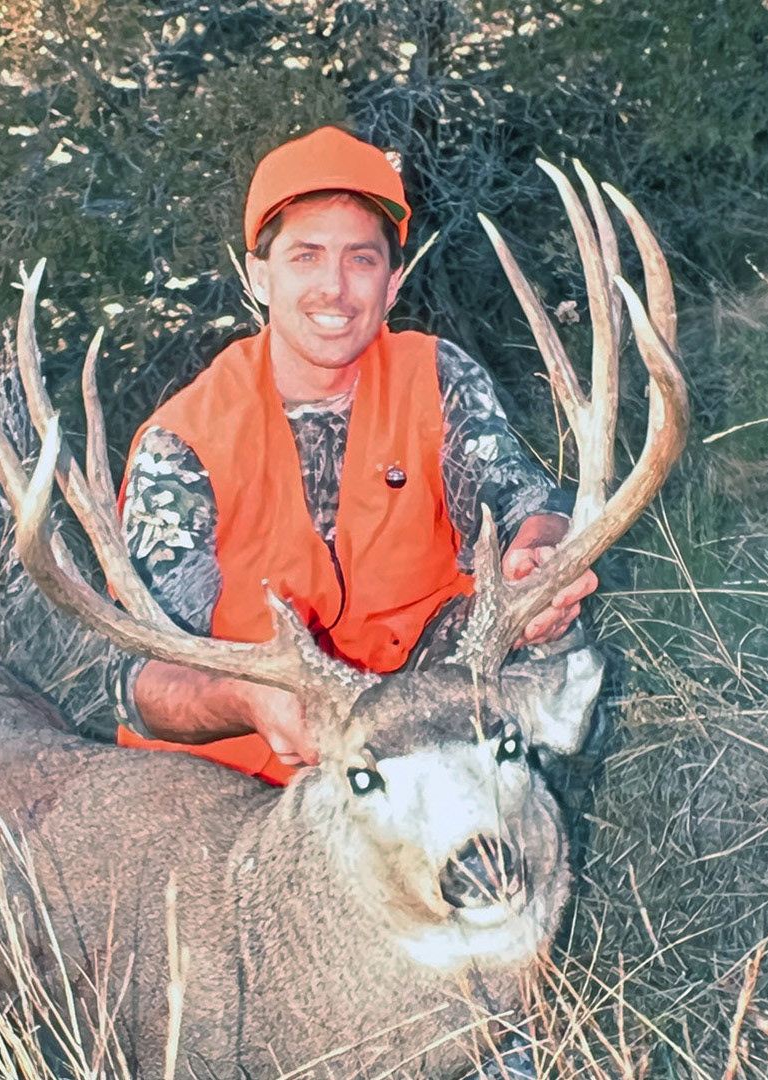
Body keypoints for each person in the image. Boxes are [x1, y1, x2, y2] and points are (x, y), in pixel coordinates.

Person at [104, 125, 600, 787]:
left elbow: (524, 505)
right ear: (259, 275)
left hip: (416, 729)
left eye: (361, 259)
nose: (334, 287)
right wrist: (248, 698)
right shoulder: (183, 445)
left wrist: (538, 556)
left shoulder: (436, 378)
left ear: (392, 282)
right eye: (305, 256)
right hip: (252, 785)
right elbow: (138, 680)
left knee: (554, 638)